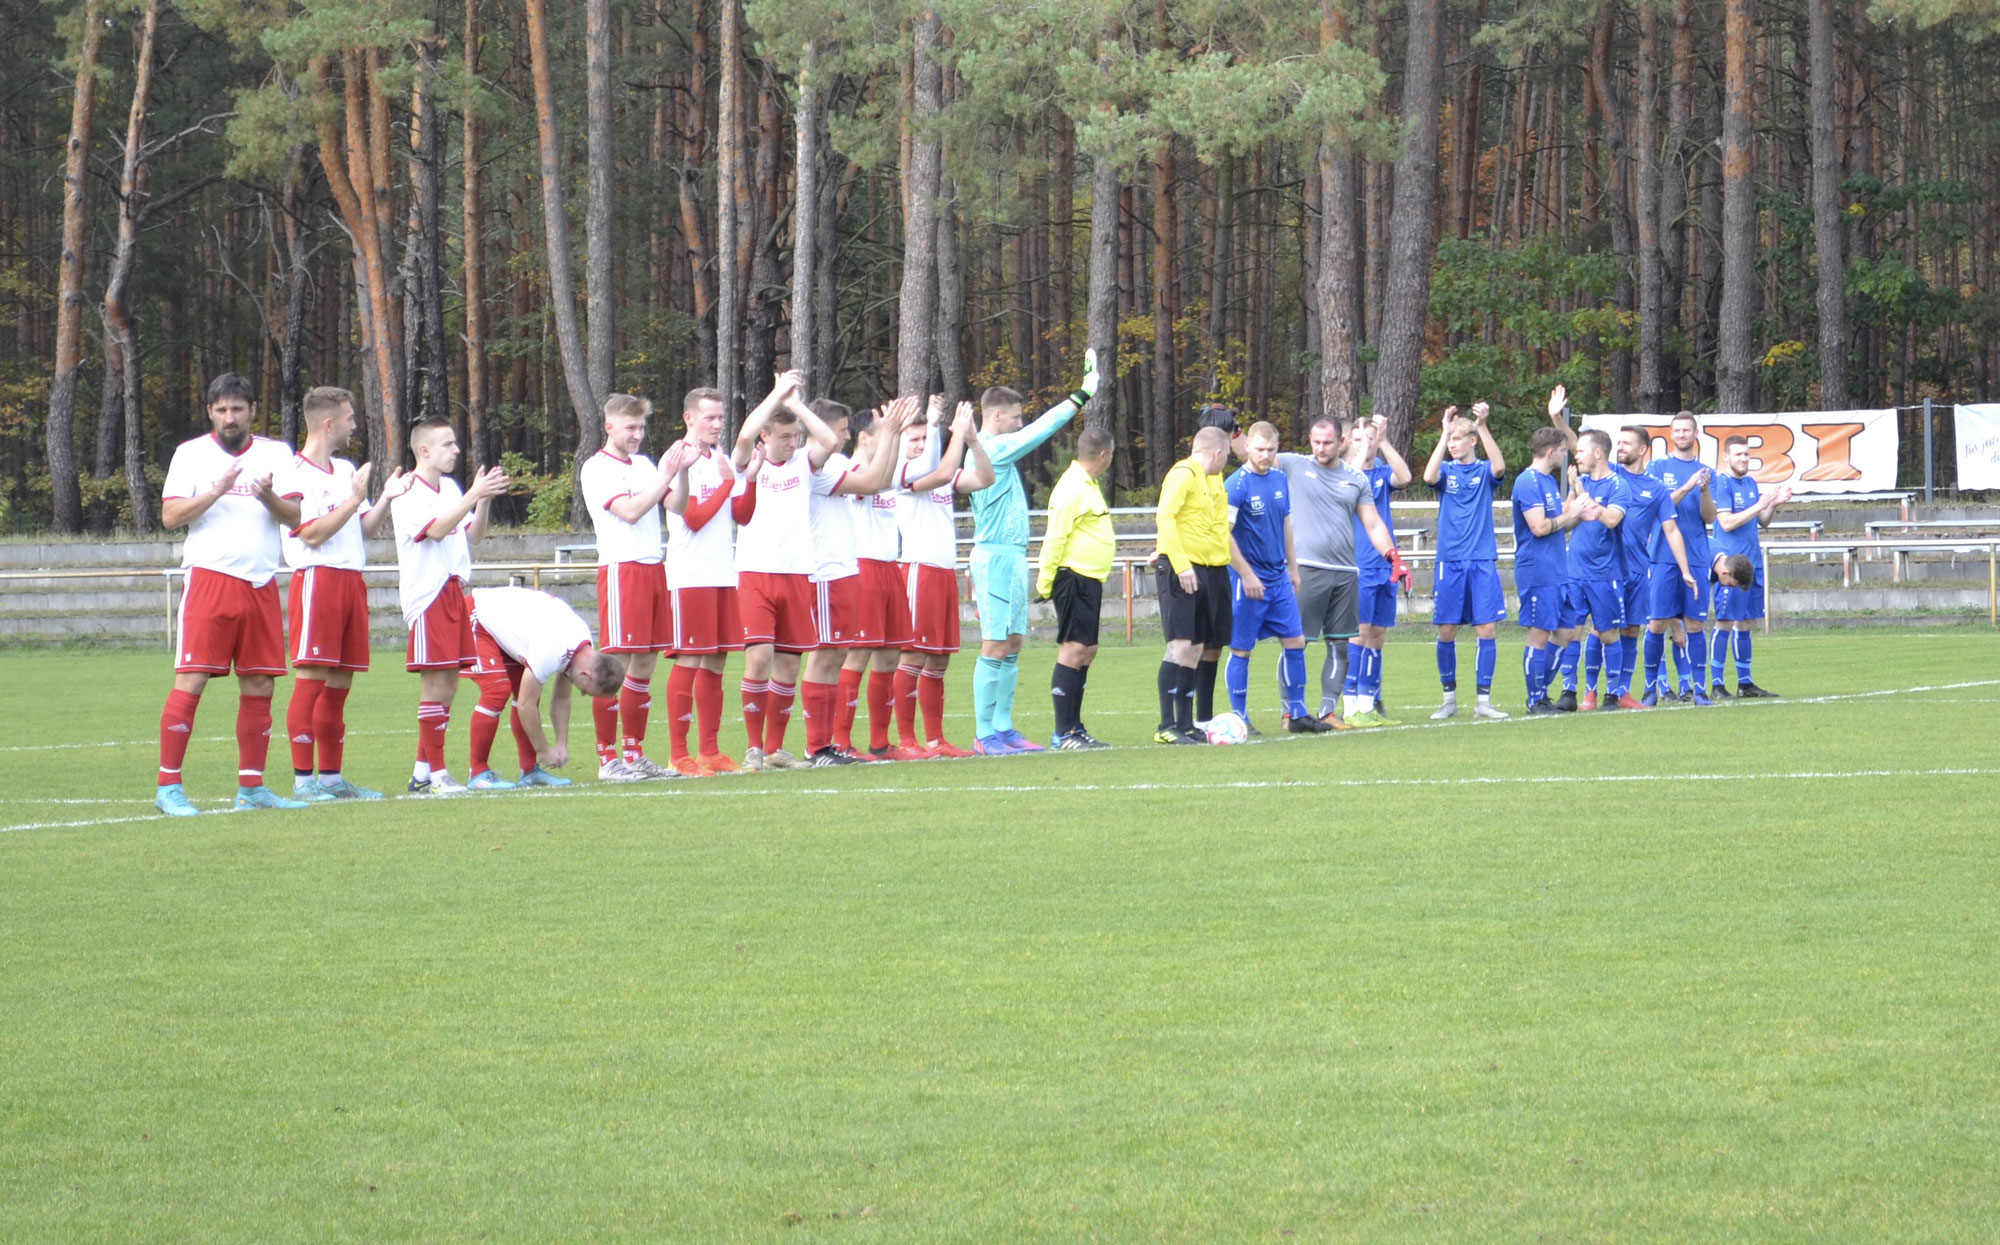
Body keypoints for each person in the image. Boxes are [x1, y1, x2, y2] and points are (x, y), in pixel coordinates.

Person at [153, 373, 309, 816]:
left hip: (260, 583)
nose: (229, 417)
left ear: (253, 411)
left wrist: (268, 497)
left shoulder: (277, 453)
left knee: (260, 684)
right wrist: (217, 490)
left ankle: (252, 788)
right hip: (209, 580)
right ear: (210, 413)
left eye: (237, 408)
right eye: (221, 409)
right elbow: (170, 516)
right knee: (192, 680)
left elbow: (295, 514)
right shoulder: (191, 454)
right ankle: (168, 787)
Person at [967, 350, 1102, 754]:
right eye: (1014, 417)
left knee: (1012, 642)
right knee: (993, 644)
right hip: (992, 556)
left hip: (1012, 556)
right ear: (994, 417)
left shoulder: (997, 448)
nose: (1020, 424)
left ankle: (1004, 728)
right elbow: (1042, 429)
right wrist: (1080, 396)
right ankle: (983, 734)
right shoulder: (991, 448)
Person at [276, 385, 401, 802]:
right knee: (311, 681)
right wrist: (352, 501)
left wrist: (384, 497)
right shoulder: (294, 473)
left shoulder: (346, 468)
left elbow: (363, 528)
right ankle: (301, 781)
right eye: (349, 418)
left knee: (339, 687)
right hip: (318, 580)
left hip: (350, 580)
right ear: (328, 423)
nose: (353, 425)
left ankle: (331, 778)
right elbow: (310, 534)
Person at [579, 392, 694, 782]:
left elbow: (677, 507)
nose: (637, 434)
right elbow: (628, 513)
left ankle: (635, 754)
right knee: (617, 665)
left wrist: (681, 470)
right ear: (609, 426)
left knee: (644, 664)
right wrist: (664, 475)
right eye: (630, 427)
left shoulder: (645, 465)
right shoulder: (596, 469)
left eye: (642, 427)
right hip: (621, 569)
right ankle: (607, 759)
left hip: (652, 567)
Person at [391, 416, 509, 794]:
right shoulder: (409, 491)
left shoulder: (452, 488)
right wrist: (473, 494)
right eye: (447, 444)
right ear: (424, 450)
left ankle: (423, 772)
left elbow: (472, 535)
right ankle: (441, 777)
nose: (456, 450)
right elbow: (437, 531)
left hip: (455, 592)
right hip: (429, 595)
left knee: (450, 686)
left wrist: (483, 500)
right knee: (435, 684)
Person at [799, 395, 917, 767]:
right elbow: (872, 481)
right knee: (833, 655)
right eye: (841, 429)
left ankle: (842, 744)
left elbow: (880, 480)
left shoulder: (833, 462)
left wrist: (893, 435)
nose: (846, 435)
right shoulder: (823, 464)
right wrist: (891, 436)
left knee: (853, 655)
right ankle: (825, 743)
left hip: (854, 567)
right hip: (830, 569)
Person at [731, 371, 841, 771]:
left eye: (794, 436)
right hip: (756, 573)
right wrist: (777, 393)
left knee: (789, 665)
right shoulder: (747, 462)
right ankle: (754, 748)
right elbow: (743, 438)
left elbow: (828, 441)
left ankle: (776, 749)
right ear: (766, 436)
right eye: (783, 436)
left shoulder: (802, 464)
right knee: (759, 658)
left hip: (797, 574)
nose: (792, 443)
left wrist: (795, 406)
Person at [892, 402, 994, 757]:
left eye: (924, 438)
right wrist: (943, 429)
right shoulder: (903, 472)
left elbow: (984, 479)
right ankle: (907, 740)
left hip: (944, 572)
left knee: (939, 659)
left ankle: (936, 740)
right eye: (914, 439)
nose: (921, 445)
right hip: (918, 571)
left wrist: (973, 441)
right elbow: (942, 468)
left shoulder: (941, 472)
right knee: (913, 656)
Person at [662, 386, 751, 775]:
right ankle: (678, 753)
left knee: (717, 659)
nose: (717, 424)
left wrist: (751, 479)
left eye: (720, 417)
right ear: (689, 419)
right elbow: (693, 518)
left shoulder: (721, 458)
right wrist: (729, 484)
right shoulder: (678, 458)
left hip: (720, 572)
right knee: (690, 658)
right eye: (709, 417)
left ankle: (710, 751)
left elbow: (742, 516)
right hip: (690, 574)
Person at [464, 586, 627, 789]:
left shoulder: (582, 649)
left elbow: (561, 698)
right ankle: (477, 771)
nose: (583, 692)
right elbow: (526, 706)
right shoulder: (552, 650)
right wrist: (543, 750)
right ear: (587, 675)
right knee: (498, 691)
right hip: (478, 614)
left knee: (527, 693)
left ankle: (529, 770)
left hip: (510, 629)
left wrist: (561, 744)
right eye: (586, 691)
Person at [837, 401, 926, 760]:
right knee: (857, 656)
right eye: (885, 435)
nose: (893, 442)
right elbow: (870, 486)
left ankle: (880, 742)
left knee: (889, 657)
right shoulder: (855, 468)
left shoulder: (886, 471)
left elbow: (890, 477)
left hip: (890, 568)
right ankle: (839, 740)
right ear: (864, 438)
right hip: (864, 569)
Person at [1225, 421, 1319, 734]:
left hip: (1278, 576)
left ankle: (1298, 713)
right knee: (1242, 647)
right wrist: (1247, 575)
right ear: (1248, 447)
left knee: (1296, 640)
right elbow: (1224, 536)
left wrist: (1293, 568)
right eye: (1260, 449)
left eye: (1271, 449)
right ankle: (1240, 717)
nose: (1265, 455)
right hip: (1248, 578)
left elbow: (1286, 524)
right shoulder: (1236, 484)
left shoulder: (1279, 478)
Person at [1420, 401, 1508, 720]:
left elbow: (1499, 466)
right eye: (1451, 440)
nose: (1454, 445)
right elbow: (1428, 476)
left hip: (1482, 559)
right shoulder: (1446, 471)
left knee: (1486, 629)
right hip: (1450, 560)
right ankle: (1449, 699)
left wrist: (1482, 425)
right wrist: (1443, 434)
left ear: (1471, 441)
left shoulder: (1484, 471)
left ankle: (1484, 701)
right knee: (1446, 630)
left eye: (1458, 439)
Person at [1036, 425, 1117, 749]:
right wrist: (1046, 582)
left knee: (1087, 650)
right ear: (1103, 455)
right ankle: (1063, 732)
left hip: (1089, 580)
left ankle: (1075, 727)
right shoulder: (1072, 487)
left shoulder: (1088, 485)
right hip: (1073, 578)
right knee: (1073, 649)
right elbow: (1055, 537)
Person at [1153, 425, 1233, 744]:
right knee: (1180, 645)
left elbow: (1205, 524)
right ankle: (1165, 725)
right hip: (1181, 569)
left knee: (1197, 647)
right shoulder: (1183, 473)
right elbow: (1166, 517)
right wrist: (1180, 563)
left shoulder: (1213, 479)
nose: (1226, 461)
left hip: (1207, 569)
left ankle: (1186, 723)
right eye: (1226, 456)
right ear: (1217, 453)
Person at [1342, 413, 1413, 726]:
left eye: (1368, 438)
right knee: (1358, 634)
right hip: (1357, 565)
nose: (1365, 444)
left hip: (1384, 564)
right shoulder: (1345, 473)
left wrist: (1383, 440)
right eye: (1358, 438)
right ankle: (1350, 705)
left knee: (1378, 634)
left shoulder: (1382, 473)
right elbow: (1349, 482)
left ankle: (1370, 705)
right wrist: (1359, 449)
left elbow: (1406, 477)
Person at [1511, 425, 1587, 714]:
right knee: (1540, 634)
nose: (1566, 455)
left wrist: (1579, 513)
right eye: (1564, 451)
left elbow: (1560, 526)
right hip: (1538, 569)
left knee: (1566, 632)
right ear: (1552, 451)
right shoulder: (1528, 482)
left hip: (1557, 569)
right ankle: (1536, 700)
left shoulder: (1547, 482)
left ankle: (1541, 692)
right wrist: (1571, 512)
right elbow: (1540, 527)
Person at [1645, 412, 1718, 706]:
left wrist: (1703, 491)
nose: (1682, 434)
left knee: (1695, 624)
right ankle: (1651, 688)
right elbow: (1655, 504)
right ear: (1671, 434)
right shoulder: (1658, 467)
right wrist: (1687, 486)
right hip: (1662, 556)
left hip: (1697, 556)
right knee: (1657, 623)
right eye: (1677, 430)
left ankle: (1699, 689)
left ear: (1695, 433)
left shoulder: (1707, 471)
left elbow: (1710, 517)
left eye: (1687, 430)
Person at [1709, 435, 1790, 698]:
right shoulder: (1721, 484)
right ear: (1726, 457)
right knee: (1725, 621)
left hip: (1752, 563)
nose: (1744, 459)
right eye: (1738, 455)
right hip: (1731, 568)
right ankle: (1718, 684)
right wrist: (1758, 506)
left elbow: (1762, 520)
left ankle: (1745, 683)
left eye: (1746, 454)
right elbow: (1727, 523)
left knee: (1746, 622)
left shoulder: (1751, 482)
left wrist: (1773, 505)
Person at [1564, 430, 1635, 711]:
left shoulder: (1619, 485)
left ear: (1597, 453)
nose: (1575, 455)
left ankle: (1613, 693)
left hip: (1606, 573)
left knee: (1607, 634)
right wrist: (1573, 492)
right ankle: (1570, 692)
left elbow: (1612, 520)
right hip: (1575, 571)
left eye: (1580, 450)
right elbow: (1566, 521)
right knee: (1570, 632)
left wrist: (1584, 494)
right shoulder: (1577, 483)